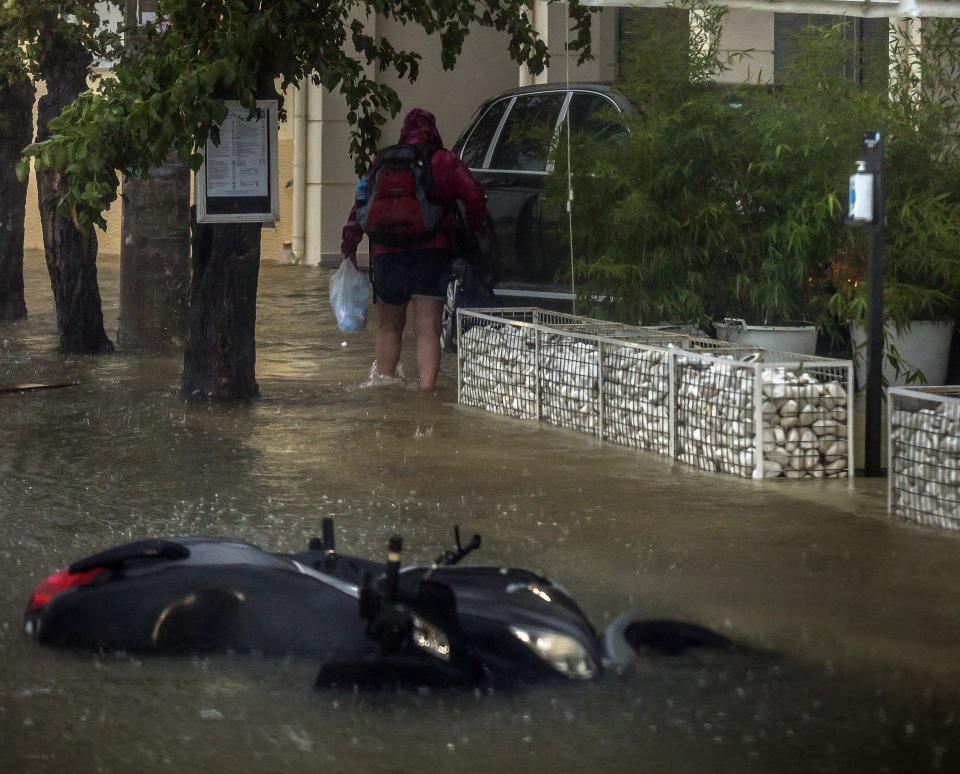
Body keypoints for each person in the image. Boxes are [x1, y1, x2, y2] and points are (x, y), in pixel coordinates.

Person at [341, 108, 490, 391]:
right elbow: (473, 194)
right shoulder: (443, 160)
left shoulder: (382, 160)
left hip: (386, 255)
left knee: (388, 327)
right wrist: (474, 228)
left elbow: (360, 204)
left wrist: (349, 245)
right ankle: (426, 393)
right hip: (431, 254)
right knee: (427, 328)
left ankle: (384, 388)